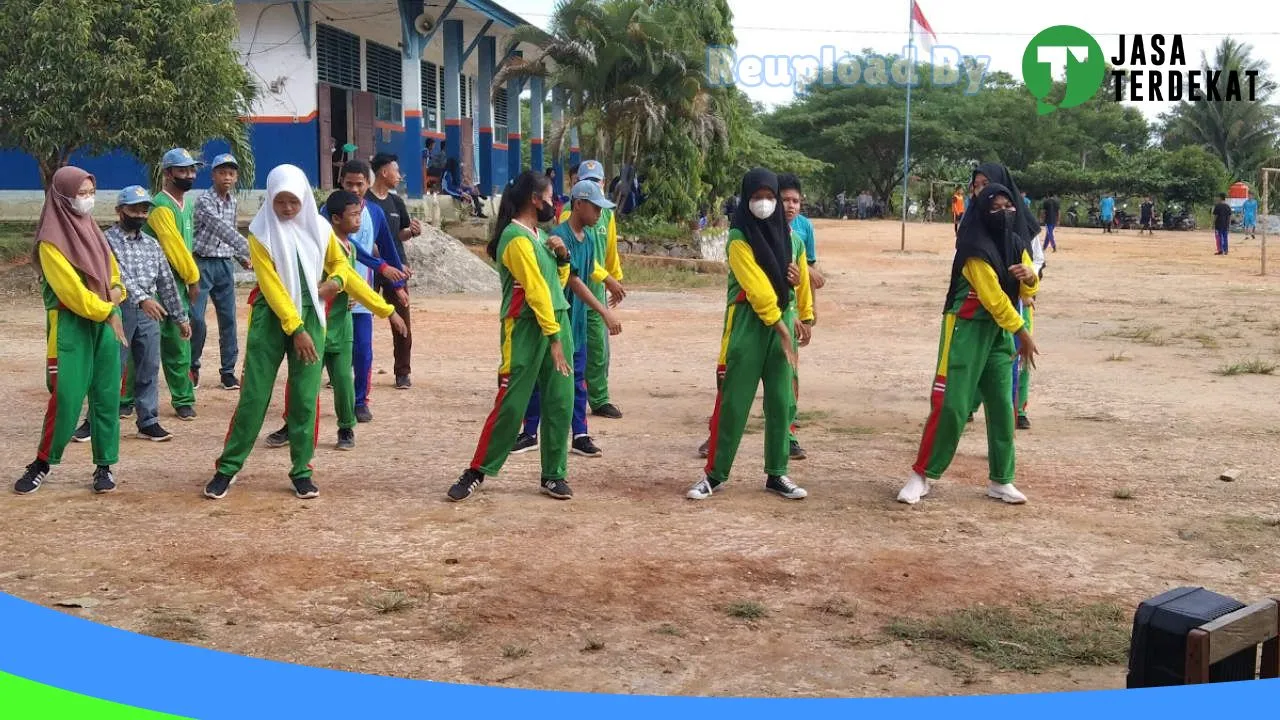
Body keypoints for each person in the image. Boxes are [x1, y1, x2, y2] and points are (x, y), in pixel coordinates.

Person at [203, 165, 404, 501]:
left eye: (293, 202)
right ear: (270, 199)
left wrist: (362, 296)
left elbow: (343, 267)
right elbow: (271, 286)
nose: (287, 209)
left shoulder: (320, 229)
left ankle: (301, 470)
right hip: (273, 317)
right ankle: (227, 467)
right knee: (253, 397)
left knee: (305, 399)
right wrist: (295, 328)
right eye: (280, 202)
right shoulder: (260, 233)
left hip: (312, 316)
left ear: (304, 200)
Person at [898, 179, 1039, 506]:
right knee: (952, 404)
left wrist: (1031, 280)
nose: (1004, 213)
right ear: (983, 210)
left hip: (999, 334)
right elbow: (992, 298)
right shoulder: (973, 247)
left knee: (1004, 406)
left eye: (1009, 207)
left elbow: (1026, 291)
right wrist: (1022, 332)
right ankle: (921, 474)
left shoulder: (1016, 242)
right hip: (965, 329)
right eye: (996, 207)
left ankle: (1001, 479)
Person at [447, 170, 576, 502]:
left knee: (560, 402)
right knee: (511, 404)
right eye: (550, 198)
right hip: (526, 329)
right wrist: (554, 338)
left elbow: (554, 287)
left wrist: (563, 258)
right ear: (534, 200)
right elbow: (534, 292)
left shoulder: (538, 236)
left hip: (556, 321)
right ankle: (477, 469)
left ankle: (553, 474)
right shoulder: (515, 239)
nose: (554, 204)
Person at [688, 168, 813, 502]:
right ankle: (713, 475)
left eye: (770, 197)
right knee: (734, 402)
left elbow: (798, 279)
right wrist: (783, 327)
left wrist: (801, 306)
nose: (765, 204)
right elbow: (756, 287)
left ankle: (777, 473)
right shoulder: (739, 238)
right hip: (750, 325)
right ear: (746, 199)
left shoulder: (791, 239)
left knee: (780, 401)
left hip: (781, 325)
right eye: (758, 197)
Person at [262, 190, 406, 451]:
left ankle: (346, 427)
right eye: (354, 215)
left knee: (342, 381)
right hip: (314, 325)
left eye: (360, 214)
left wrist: (387, 311)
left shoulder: (348, 247)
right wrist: (388, 311)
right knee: (302, 382)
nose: (359, 220)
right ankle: (291, 425)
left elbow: (353, 282)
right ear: (336, 219)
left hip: (340, 325)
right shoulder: (319, 244)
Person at [16, 167, 129, 495]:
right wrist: (108, 309)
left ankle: (105, 465)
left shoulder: (93, 230)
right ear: (63, 195)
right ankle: (42, 462)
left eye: (91, 192)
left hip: (106, 321)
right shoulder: (51, 241)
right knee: (66, 395)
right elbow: (71, 292)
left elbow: (112, 271)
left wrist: (118, 290)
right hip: (71, 324)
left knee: (107, 394)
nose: (88, 200)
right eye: (81, 193)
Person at [514, 180, 625, 458]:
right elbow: (573, 279)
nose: (600, 214)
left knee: (577, 379)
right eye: (596, 208)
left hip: (576, 321)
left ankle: (580, 434)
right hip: (556, 319)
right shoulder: (557, 237)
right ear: (579, 205)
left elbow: (590, 271)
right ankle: (530, 432)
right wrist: (604, 311)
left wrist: (608, 282)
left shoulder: (589, 239)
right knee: (542, 378)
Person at [95, 186, 192, 444]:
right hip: (118, 310)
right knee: (111, 367)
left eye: (143, 210)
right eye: (133, 209)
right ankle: (94, 420)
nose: (139, 214)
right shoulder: (105, 241)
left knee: (148, 367)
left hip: (151, 313)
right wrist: (142, 299)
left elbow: (166, 282)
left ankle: (148, 420)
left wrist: (180, 317)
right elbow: (116, 275)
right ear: (119, 211)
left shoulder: (152, 245)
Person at [328, 160, 408, 423]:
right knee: (328, 352)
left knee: (363, 350)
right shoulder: (328, 212)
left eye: (359, 184)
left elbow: (388, 246)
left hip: (362, 295)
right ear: (342, 183)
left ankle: (360, 401)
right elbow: (349, 248)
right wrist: (382, 266)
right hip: (332, 295)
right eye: (349, 183)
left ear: (367, 184)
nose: (354, 188)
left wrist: (397, 285)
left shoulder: (374, 212)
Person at [558, 160, 626, 420]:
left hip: (597, 287)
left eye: (597, 180)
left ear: (603, 182)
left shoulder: (605, 213)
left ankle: (599, 398)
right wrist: (608, 277)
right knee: (572, 343)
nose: (592, 184)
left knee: (598, 348)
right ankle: (566, 394)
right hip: (576, 288)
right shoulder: (569, 213)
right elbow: (576, 258)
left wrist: (615, 277)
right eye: (586, 180)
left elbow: (610, 250)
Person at [141, 148, 202, 420]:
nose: (189, 175)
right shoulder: (160, 207)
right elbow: (174, 247)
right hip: (155, 284)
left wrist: (188, 277)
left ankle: (183, 398)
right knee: (145, 344)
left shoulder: (186, 204)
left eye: (191, 170)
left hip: (178, 282)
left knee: (180, 341)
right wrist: (193, 277)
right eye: (182, 170)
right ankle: (128, 399)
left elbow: (186, 247)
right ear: (168, 173)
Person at [191, 153, 251, 392]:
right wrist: (252, 251)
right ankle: (192, 367)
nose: (227, 177)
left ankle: (228, 371)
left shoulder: (233, 202)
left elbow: (231, 231)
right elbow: (221, 229)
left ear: (235, 177)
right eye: (222, 172)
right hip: (201, 263)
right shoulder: (204, 201)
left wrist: (242, 258)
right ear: (213, 175)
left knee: (229, 320)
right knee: (196, 318)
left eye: (231, 173)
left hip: (225, 265)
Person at [366, 153, 421, 389]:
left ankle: (402, 372)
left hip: (396, 269)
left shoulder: (396, 202)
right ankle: (349, 370)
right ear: (383, 172)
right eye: (396, 171)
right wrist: (382, 260)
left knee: (402, 319)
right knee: (359, 317)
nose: (399, 176)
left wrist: (413, 232)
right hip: (368, 267)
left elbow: (399, 235)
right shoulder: (364, 201)